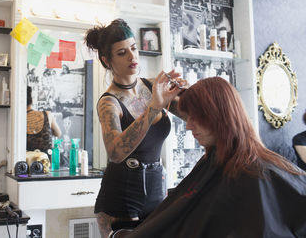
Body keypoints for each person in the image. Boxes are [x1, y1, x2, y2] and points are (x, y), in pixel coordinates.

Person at [112, 77, 306, 238]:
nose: (188, 125)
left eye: (195, 116)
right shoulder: (215, 161)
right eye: (188, 117)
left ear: (220, 116)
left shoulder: (256, 174)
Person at [84, 18, 186, 238]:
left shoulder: (152, 87)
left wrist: (188, 93)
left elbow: (193, 115)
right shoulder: (108, 102)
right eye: (122, 53)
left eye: (133, 48)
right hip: (120, 199)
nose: (132, 56)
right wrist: (152, 109)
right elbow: (115, 152)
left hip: (156, 192)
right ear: (107, 60)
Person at [27, 86, 62, 152]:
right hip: (46, 160)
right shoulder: (47, 114)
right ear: (32, 100)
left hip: (26, 160)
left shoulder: (18, 120)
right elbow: (58, 133)